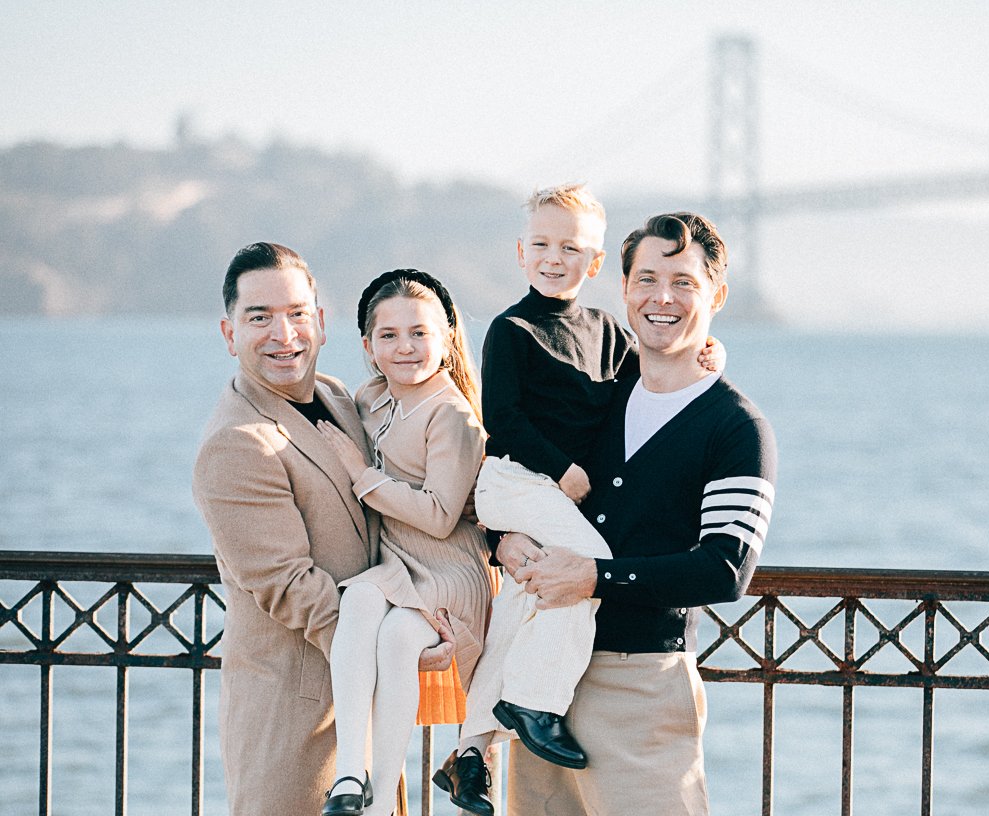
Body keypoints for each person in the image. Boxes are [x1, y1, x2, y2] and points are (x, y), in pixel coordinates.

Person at [432, 185, 723, 816]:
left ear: (594, 265)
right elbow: (501, 419)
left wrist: (711, 354)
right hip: (520, 481)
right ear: (520, 252)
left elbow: (643, 387)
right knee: (584, 568)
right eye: (540, 244)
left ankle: (470, 749)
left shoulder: (609, 332)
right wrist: (561, 470)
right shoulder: (510, 330)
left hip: (557, 498)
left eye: (570, 247)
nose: (552, 256)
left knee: (527, 602)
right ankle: (536, 701)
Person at [496, 212, 778, 815]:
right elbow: (516, 472)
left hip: (642, 687)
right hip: (543, 681)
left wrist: (595, 576)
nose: (662, 298)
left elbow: (726, 570)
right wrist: (501, 537)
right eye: (646, 279)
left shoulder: (736, 427)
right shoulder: (598, 397)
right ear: (623, 290)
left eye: (684, 282)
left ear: (717, 295)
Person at [194, 243, 437, 816]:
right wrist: (399, 645)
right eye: (260, 318)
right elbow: (292, 588)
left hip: (366, 719)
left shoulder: (338, 397)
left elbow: (438, 425)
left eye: (297, 313)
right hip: (295, 725)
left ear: (321, 323)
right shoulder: (237, 443)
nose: (284, 334)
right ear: (229, 334)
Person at [315, 269, 495, 816]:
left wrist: (359, 473)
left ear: (446, 340)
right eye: (388, 336)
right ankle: (350, 774)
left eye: (420, 333)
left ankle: (379, 800)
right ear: (369, 347)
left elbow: (442, 516)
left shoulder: (451, 415)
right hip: (397, 563)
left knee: (396, 639)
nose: (405, 347)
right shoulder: (371, 398)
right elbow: (324, 397)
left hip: (449, 569)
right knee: (359, 601)